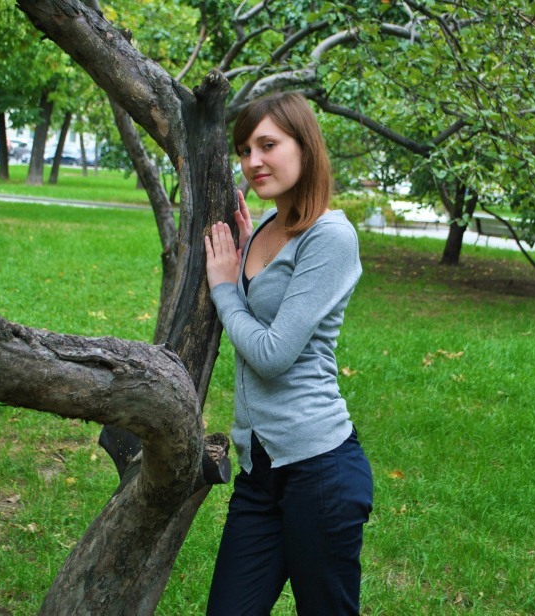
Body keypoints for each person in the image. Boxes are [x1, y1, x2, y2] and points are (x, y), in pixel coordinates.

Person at [203, 92, 374, 615]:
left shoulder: (331, 236)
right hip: (259, 471)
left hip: (318, 472)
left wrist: (225, 289)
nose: (252, 161)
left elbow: (274, 353)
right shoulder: (265, 228)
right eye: (244, 150)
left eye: (268, 145)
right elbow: (262, 303)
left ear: (305, 146)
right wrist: (243, 257)